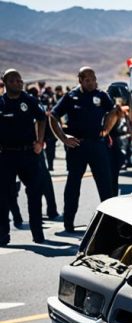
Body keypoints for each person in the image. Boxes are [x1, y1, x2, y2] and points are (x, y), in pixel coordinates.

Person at [49, 67, 117, 233]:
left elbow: (114, 111)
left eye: (94, 78)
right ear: (80, 80)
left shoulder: (101, 95)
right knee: (73, 185)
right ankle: (68, 222)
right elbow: (53, 116)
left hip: (97, 145)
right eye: (87, 80)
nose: (92, 82)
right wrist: (64, 138)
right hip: (77, 146)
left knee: (106, 185)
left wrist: (106, 130)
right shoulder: (71, 96)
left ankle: (111, 223)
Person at [0, 69, 47, 245]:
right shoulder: (1, 103)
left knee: (34, 193)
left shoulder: (29, 100)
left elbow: (42, 119)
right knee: (3, 196)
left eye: (20, 80)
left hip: (28, 153)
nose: (18, 83)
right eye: (13, 80)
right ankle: (3, 235)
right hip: (5, 155)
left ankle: (38, 234)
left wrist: (40, 142)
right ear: (5, 83)